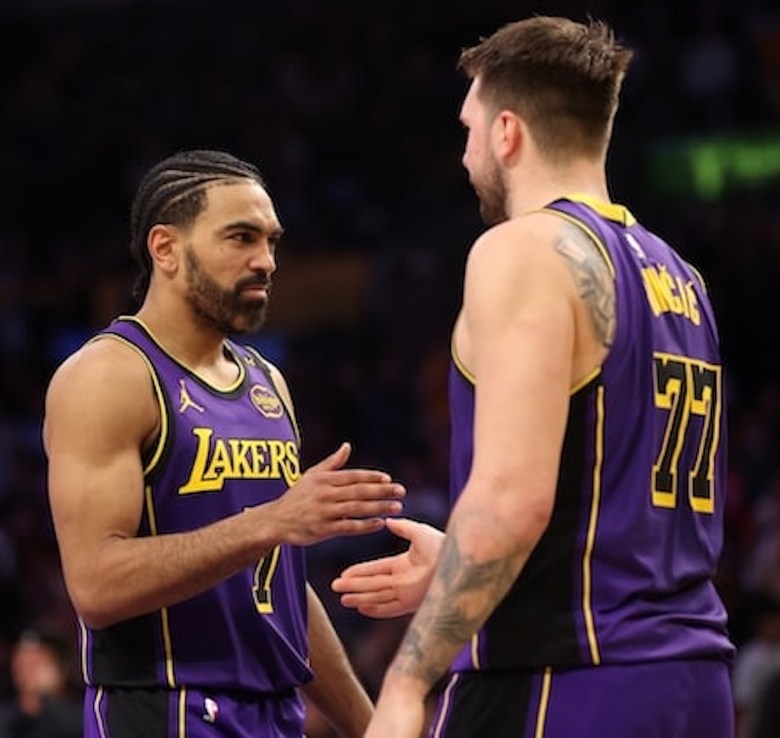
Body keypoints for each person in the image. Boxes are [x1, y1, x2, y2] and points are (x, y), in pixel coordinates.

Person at [332, 16, 735, 738]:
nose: (464, 154)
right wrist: (458, 559)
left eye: (469, 129)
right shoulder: (682, 276)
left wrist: (405, 680)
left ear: (508, 132)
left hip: (567, 680)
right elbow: (613, 505)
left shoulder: (522, 249)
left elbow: (513, 499)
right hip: (693, 681)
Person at [42, 149, 406, 738]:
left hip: (275, 714)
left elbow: (278, 590)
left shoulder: (267, 381)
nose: (265, 261)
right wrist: (270, 522)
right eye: (240, 238)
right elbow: (95, 585)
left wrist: (370, 726)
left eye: (271, 241)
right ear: (165, 248)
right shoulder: (110, 375)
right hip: (166, 710)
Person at [0, 627, 83, 738]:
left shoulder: (81, 714)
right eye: (21, 663)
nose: (26, 671)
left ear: (61, 669)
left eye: (35, 663)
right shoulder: (7, 718)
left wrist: (47, 699)